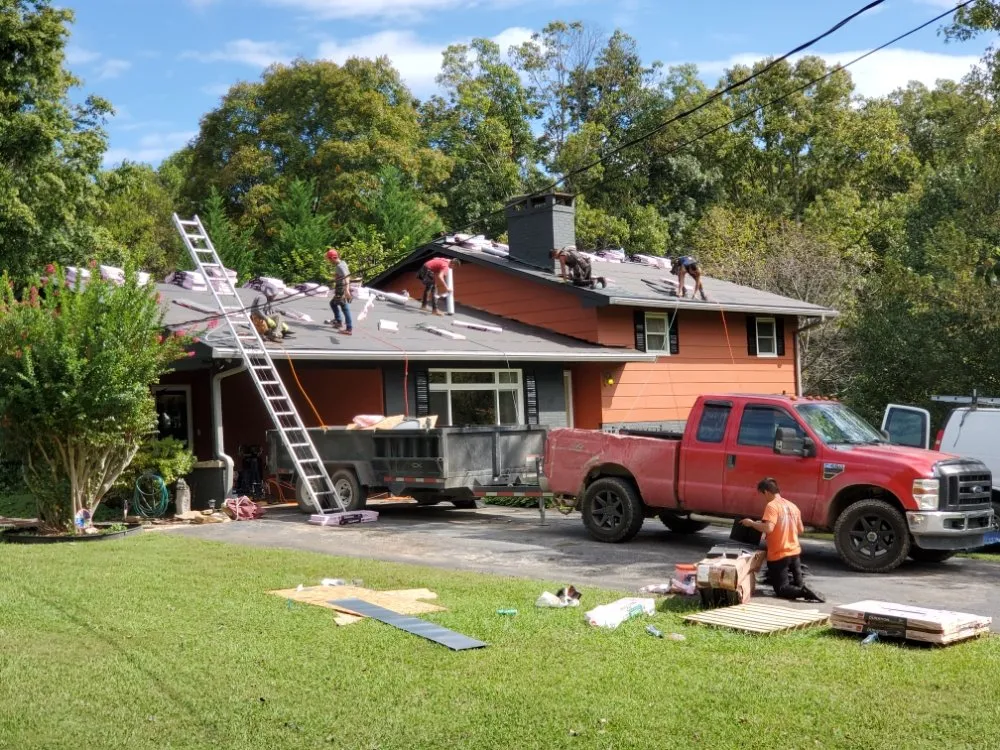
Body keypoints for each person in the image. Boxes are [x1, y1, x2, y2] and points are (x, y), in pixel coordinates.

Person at [740, 477, 824, 603]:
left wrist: (751, 523)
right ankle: (803, 588)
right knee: (798, 584)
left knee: (781, 589)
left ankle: (804, 592)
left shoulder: (772, 506)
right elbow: (800, 529)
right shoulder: (792, 506)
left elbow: (768, 528)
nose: (764, 498)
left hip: (779, 554)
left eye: (763, 495)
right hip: (794, 552)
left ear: (766, 492)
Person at [326, 248, 352, 335]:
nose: (329, 261)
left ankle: (349, 328)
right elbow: (341, 275)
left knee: (345, 307)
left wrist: (347, 290)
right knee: (333, 303)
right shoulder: (342, 263)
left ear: (333, 258)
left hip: (342, 289)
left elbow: (347, 277)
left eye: (329, 259)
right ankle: (339, 321)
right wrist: (334, 277)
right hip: (339, 288)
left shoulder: (340, 266)